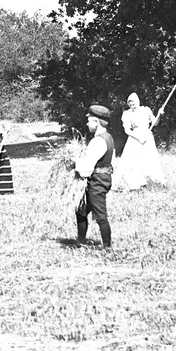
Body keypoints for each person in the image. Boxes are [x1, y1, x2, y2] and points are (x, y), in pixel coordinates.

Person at [75, 104, 116, 248]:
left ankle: (107, 247)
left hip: (97, 181)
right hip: (102, 178)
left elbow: (86, 168)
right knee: (81, 210)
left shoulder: (97, 141)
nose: (87, 123)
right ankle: (80, 242)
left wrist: (75, 163)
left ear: (97, 122)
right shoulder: (108, 137)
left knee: (101, 216)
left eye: (90, 120)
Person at [116, 92, 166, 191]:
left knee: (149, 159)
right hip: (134, 138)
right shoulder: (127, 113)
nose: (132, 106)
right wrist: (138, 138)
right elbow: (127, 130)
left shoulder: (146, 110)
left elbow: (155, 123)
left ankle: (151, 182)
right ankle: (135, 183)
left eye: (133, 103)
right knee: (132, 160)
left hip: (147, 137)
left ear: (138, 102)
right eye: (130, 104)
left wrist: (159, 114)